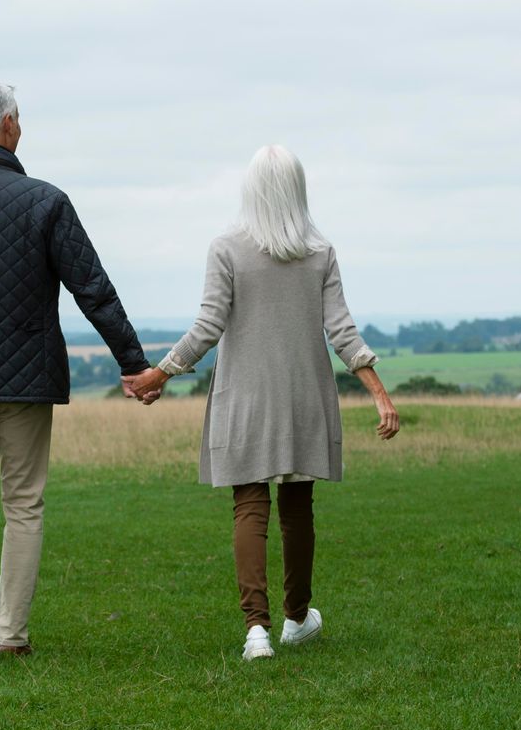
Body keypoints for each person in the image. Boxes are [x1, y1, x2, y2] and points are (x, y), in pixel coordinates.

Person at [0, 82, 151, 665]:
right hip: (27, 376)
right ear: (9, 125)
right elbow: (93, 288)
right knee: (23, 504)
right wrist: (134, 363)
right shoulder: (46, 200)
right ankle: (11, 633)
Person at [123, 146, 400, 660]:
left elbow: (208, 325)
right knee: (297, 508)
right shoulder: (319, 251)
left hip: (244, 397)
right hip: (304, 396)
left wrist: (158, 374)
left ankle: (257, 631)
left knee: (249, 505)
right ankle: (297, 618)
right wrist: (380, 394)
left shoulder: (227, 247)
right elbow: (342, 331)